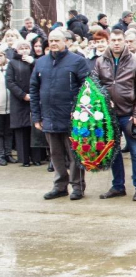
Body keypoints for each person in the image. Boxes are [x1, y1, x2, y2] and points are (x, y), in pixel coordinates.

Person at [29, 29, 90, 200]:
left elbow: (87, 88)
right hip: (49, 116)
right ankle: (60, 186)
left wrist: (78, 111)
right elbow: (34, 89)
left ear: (66, 42)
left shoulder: (77, 61)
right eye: (51, 40)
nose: (53, 43)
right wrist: (37, 116)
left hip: (72, 117)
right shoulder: (40, 63)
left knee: (74, 154)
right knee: (55, 154)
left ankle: (77, 186)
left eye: (57, 40)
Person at [93, 29, 136, 201]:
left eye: (119, 39)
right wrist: (103, 100)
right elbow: (94, 84)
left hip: (129, 114)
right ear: (109, 41)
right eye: (113, 40)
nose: (116, 43)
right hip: (109, 115)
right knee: (113, 151)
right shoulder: (100, 62)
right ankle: (118, 186)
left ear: (125, 41)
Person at [5, 39, 42, 166]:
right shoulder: (12, 63)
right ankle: (24, 159)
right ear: (17, 50)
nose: (24, 50)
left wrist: (33, 63)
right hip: (20, 101)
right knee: (22, 131)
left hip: (34, 99)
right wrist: (23, 95)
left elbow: (41, 76)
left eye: (26, 47)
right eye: (21, 48)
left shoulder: (35, 62)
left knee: (35, 129)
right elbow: (9, 82)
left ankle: (37, 158)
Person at [0, 50, 11, 165]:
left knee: (8, 132)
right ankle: (1, 154)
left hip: (9, 107)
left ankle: (8, 153)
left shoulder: (9, 68)